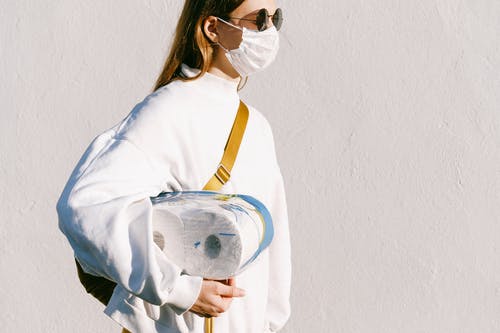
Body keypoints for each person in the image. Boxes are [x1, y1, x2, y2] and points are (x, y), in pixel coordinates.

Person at [56, 0, 291, 332]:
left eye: (275, 19)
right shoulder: (169, 111)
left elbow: (273, 243)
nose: (268, 31)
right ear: (213, 28)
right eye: (259, 19)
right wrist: (180, 289)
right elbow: (86, 206)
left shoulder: (256, 125)